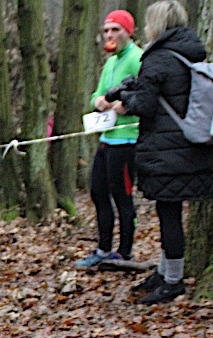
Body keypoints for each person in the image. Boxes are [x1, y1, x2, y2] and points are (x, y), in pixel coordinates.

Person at [109, 0, 213, 304]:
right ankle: (165, 271)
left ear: (156, 25)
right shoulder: (190, 53)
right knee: (169, 212)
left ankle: (173, 281)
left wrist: (124, 99)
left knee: (169, 214)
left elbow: (145, 104)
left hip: (167, 151)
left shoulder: (158, 59)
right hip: (190, 146)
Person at [76, 10, 142, 270]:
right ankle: (103, 248)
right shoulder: (111, 62)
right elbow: (98, 94)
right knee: (98, 192)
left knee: (122, 196)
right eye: (106, 31)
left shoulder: (137, 58)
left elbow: (147, 95)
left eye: (116, 30)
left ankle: (124, 252)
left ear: (129, 32)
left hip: (127, 141)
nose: (110, 35)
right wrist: (98, 102)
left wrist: (127, 106)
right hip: (106, 138)